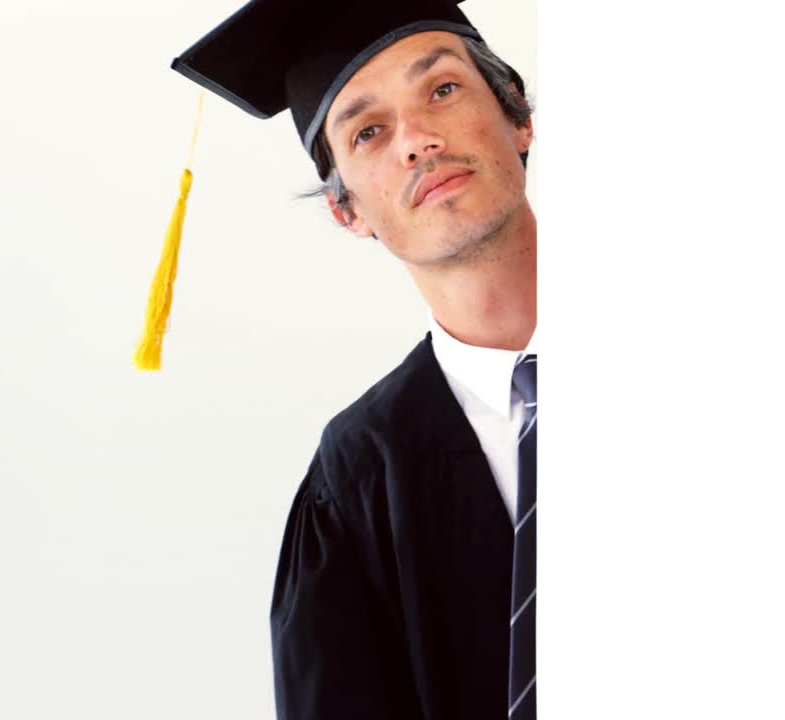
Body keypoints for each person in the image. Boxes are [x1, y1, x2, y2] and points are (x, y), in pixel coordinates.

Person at [169, 1, 537, 718]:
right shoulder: (357, 482)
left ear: (518, 115)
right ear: (348, 211)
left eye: (442, 90)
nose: (418, 140)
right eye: (369, 132)